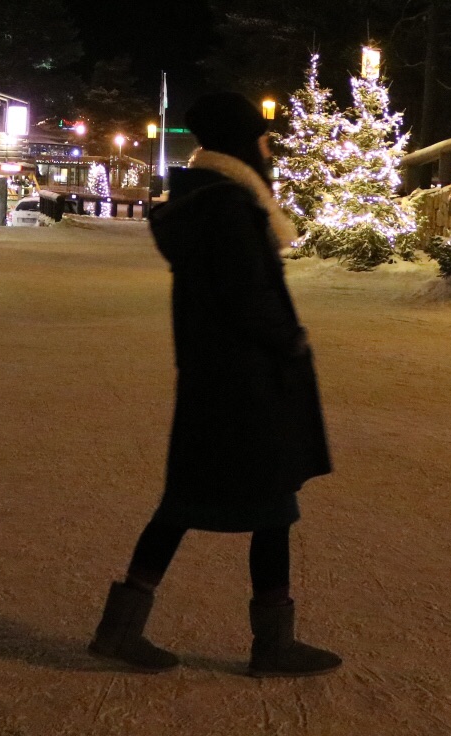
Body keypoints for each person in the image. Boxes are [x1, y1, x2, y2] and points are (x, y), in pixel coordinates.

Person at [88, 91, 340, 678]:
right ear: (241, 145)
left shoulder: (207, 203)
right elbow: (247, 294)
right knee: (268, 504)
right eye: (262, 140)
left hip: (216, 379)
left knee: (195, 504)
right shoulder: (229, 207)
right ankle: (270, 644)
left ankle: (121, 629)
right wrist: (288, 340)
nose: (268, 150)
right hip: (244, 383)